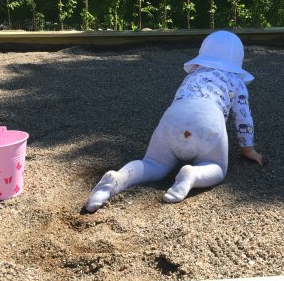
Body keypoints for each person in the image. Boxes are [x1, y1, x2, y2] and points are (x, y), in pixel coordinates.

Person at [85, 30, 262, 212]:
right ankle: (193, 174)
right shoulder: (237, 83)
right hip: (209, 121)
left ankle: (118, 178)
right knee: (216, 168)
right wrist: (247, 148)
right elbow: (243, 118)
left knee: (152, 164)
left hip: (174, 117)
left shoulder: (192, 75)